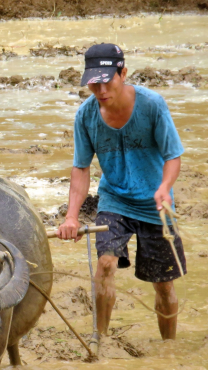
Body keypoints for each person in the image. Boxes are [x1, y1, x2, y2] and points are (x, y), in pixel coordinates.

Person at [57, 43, 186, 352]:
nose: (100, 90)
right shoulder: (85, 116)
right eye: (93, 83)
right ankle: (99, 341)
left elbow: (173, 156)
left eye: (106, 81)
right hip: (114, 199)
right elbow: (81, 168)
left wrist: (164, 188)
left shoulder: (152, 105)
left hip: (155, 205)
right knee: (104, 264)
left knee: (164, 285)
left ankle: (168, 349)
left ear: (123, 73)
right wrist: (71, 216)